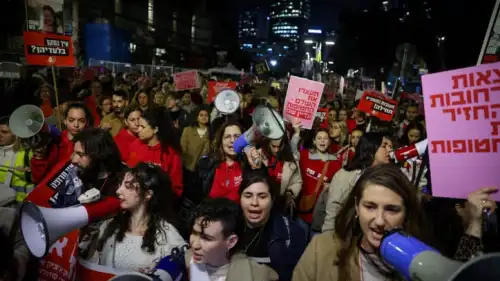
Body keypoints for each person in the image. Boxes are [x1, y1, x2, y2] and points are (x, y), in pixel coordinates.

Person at [293, 164, 430, 281]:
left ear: (406, 213)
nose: (379, 221)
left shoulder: (423, 263)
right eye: (370, 207)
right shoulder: (322, 249)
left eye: (391, 210)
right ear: (357, 207)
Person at [84, 163, 186, 272]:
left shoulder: (168, 238)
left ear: (147, 194)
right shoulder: (109, 225)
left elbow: (182, 268)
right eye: (120, 184)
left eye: (128, 186)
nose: (118, 191)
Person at [186, 198, 278, 281]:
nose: (195, 245)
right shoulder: (182, 262)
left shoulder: (257, 276)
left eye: (206, 238)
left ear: (231, 242)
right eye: (194, 233)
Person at [239, 173, 306, 281]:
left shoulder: (293, 232)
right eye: (248, 196)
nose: (254, 202)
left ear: (272, 200)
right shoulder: (229, 227)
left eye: (262, 196)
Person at [51, 128, 124, 207]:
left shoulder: (124, 181)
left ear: (100, 155)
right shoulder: (75, 173)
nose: (74, 160)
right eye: (74, 152)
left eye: (81, 155)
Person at [126, 108, 183, 197]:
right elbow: (130, 171)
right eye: (138, 125)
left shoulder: (171, 154)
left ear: (155, 129)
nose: (138, 129)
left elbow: (176, 188)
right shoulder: (135, 145)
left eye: (143, 126)